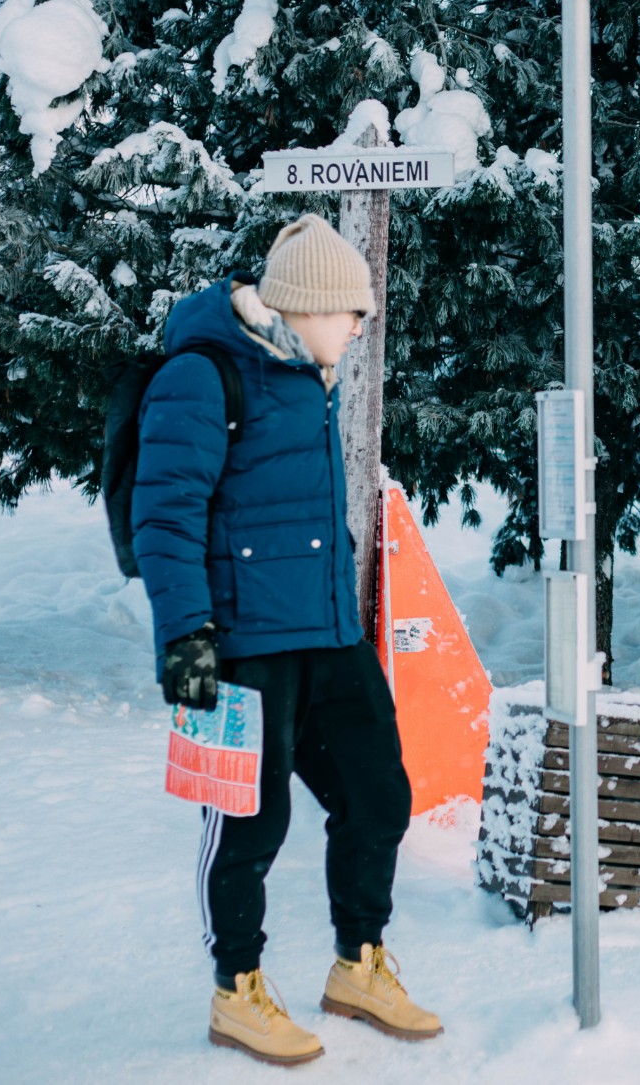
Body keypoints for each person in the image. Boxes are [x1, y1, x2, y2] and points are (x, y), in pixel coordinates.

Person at [133, 213, 440, 1065]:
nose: (359, 326)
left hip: (327, 633)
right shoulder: (203, 375)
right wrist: (185, 632)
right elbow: (164, 513)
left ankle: (358, 961)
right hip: (244, 646)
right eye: (351, 312)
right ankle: (237, 988)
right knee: (248, 821)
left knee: (378, 792)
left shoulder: (309, 373)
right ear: (306, 305)